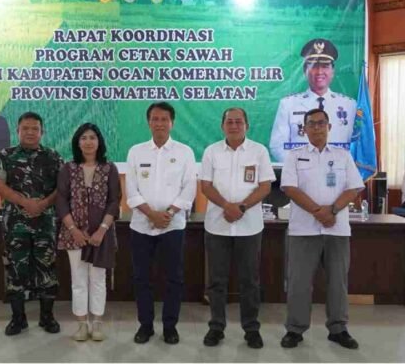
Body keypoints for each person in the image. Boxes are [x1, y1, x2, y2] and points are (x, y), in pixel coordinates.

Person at [279, 108, 364, 350]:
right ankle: (295, 330)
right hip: (303, 229)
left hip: (336, 230)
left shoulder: (342, 155)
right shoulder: (294, 156)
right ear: (304, 129)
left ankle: (338, 329)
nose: (316, 127)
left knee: (338, 281)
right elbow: (289, 188)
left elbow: (353, 188)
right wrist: (319, 212)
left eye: (321, 123)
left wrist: (333, 211)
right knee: (299, 282)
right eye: (311, 124)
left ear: (329, 127)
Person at [199, 107, 275, 348]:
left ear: (247, 126)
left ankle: (251, 329)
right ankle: (216, 327)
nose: (234, 125)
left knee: (249, 281)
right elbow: (206, 186)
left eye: (238, 122)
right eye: (229, 122)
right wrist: (226, 206)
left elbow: (265, 187)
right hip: (217, 226)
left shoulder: (259, 151)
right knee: (216, 281)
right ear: (222, 126)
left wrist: (240, 208)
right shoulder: (212, 151)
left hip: (249, 227)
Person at [125, 102, 197, 345]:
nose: (159, 123)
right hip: (141, 226)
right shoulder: (136, 151)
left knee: (173, 278)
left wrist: (168, 213)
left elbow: (189, 187)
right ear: (148, 122)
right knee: (142, 278)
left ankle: (170, 327)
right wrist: (151, 214)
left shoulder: (184, 152)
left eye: (164, 119)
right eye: (155, 119)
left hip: (173, 225)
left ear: (172, 123)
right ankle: (145, 326)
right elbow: (131, 189)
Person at [0, 111, 64, 336]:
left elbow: (62, 188)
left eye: (35, 129)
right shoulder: (6, 155)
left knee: (46, 268)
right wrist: (25, 203)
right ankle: (18, 319)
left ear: (42, 132)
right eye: (26, 128)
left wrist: (42, 205)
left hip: (45, 222)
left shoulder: (53, 156)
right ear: (18, 131)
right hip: (15, 223)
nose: (30, 132)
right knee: (15, 269)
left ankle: (47, 317)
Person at [56, 123, 121, 342]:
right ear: (77, 142)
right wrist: (73, 229)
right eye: (83, 138)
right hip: (73, 234)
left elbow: (114, 201)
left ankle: (97, 324)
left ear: (99, 142)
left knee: (98, 279)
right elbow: (61, 201)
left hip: (100, 235)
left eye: (92, 137)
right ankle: (82, 324)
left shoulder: (109, 168)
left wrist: (102, 229)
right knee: (78, 279)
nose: (88, 142)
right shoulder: (68, 168)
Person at [269, 38, 356, 162]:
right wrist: (300, 166)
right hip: (301, 174)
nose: (319, 72)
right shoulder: (288, 104)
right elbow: (277, 145)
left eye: (325, 66)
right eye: (314, 66)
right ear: (305, 71)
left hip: (338, 173)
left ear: (333, 71)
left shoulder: (349, 105)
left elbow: (357, 146)